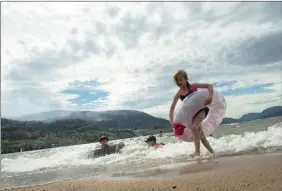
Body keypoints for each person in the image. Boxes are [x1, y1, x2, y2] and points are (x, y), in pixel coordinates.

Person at [169, 69, 215, 156]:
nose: (179, 82)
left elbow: (209, 86)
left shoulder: (193, 86)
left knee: (194, 127)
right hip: (192, 115)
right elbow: (172, 108)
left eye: (180, 80)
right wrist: (171, 121)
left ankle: (197, 152)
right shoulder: (179, 93)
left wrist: (210, 96)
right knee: (201, 135)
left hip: (202, 110)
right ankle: (212, 152)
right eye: (177, 81)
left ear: (186, 79)